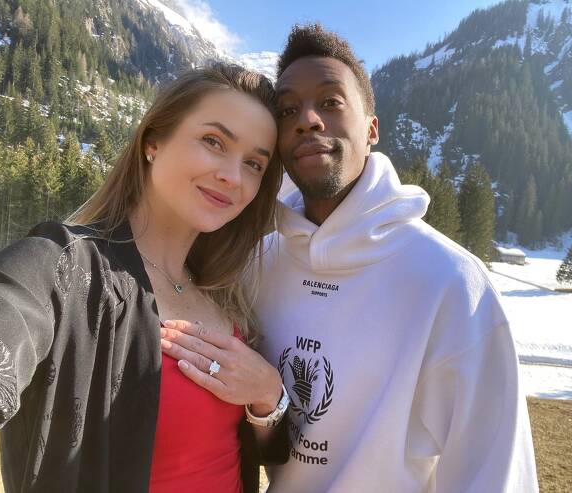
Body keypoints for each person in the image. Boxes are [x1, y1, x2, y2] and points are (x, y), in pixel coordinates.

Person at [162, 24, 539, 493]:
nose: (308, 120)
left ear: (372, 128)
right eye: (288, 109)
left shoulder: (452, 284)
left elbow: (495, 475)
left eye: (331, 101)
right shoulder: (258, 265)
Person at [0, 63, 289, 493]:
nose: (232, 176)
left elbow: (252, 452)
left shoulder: (230, 295)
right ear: (153, 141)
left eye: (254, 164)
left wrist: (268, 397)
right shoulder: (62, 265)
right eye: (213, 141)